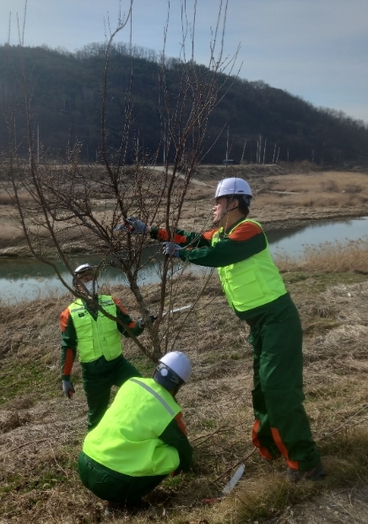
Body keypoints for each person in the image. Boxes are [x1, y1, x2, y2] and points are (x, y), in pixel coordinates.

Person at [119, 177, 325, 482]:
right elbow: (191, 237)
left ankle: (305, 463)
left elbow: (218, 255)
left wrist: (179, 253)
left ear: (234, 202)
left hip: (278, 321)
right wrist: (148, 230)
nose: (213, 206)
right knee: (262, 389)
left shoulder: (249, 229)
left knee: (278, 390)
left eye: (218, 201)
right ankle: (273, 446)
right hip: (260, 327)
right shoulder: (222, 234)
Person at [78, 351, 194, 511]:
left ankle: (115, 501)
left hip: (85, 462)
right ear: (179, 385)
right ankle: (130, 502)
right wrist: (188, 464)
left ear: (157, 369)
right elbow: (181, 444)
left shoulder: (132, 383)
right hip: (111, 482)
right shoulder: (166, 406)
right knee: (174, 456)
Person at [60, 263, 146, 430]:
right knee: (97, 416)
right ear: (77, 286)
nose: (90, 281)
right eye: (85, 279)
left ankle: (138, 427)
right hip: (93, 374)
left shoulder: (111, 303)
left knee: (142, 391)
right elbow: (68, 347)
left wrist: (141, 325)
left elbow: (128, 329)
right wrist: (66, 378)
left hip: (118, 366)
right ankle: (93, 452)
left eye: (92, 278)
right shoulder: (70, 313)